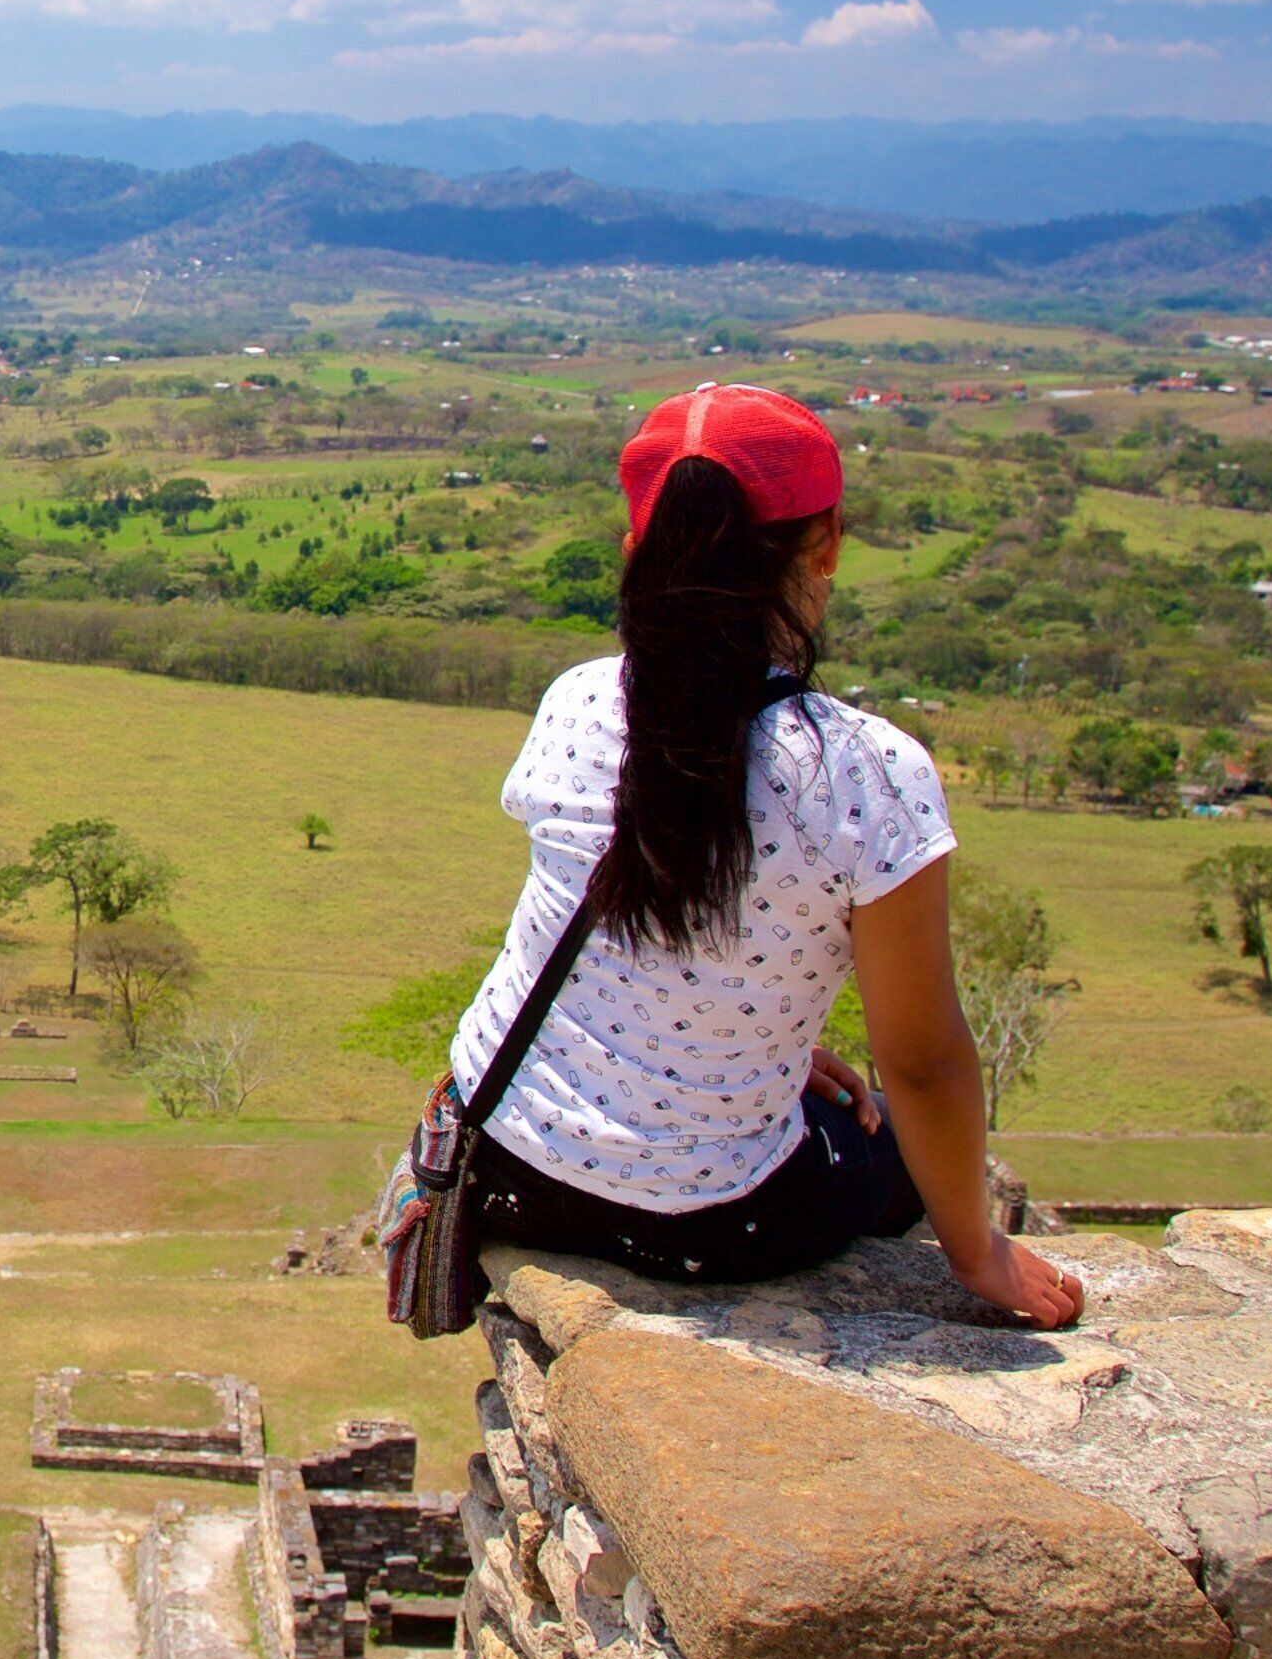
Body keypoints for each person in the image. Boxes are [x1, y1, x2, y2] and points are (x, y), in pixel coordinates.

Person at [442, 384, 1083, 1327]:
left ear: (638, 549)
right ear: (826, 547)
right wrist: (980, 1254)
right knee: (896, 1146)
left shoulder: (578, 701)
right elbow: (924, 1065)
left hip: (507, 1157)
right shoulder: (865, 771)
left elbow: (628, 924)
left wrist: (766, 1046)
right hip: (706, 1217)